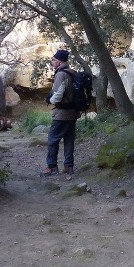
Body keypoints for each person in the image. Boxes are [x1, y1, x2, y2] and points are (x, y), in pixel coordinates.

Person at [42, 49, 78, 177]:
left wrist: (49, 100)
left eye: (54, 60)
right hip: (73, 112)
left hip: (61, 114)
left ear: (59, 61)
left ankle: (51, 167)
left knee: (53, 140)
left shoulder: (60, 74)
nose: (52, 62)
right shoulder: (73, 72)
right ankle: (69, 166)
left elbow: (58, 95)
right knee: (69, 139)